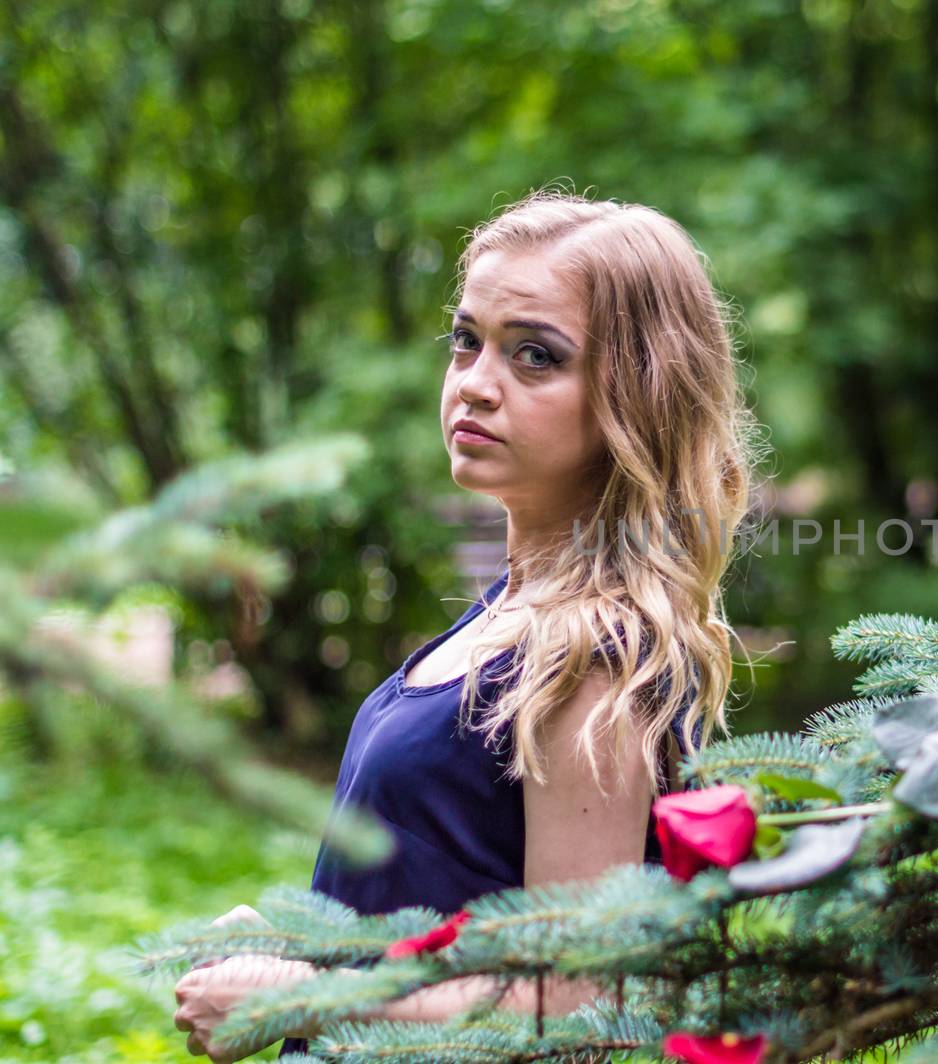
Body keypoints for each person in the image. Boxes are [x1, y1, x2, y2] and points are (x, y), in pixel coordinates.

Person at [172, 188, 764, 1062]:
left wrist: (302, 995)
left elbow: (573, 1007)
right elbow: (438, 902)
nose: (476, 384)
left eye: (535, 356)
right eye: (467, 340)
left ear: (633, 398)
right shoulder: (512, 611)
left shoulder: (596, 658)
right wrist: (292, 955)